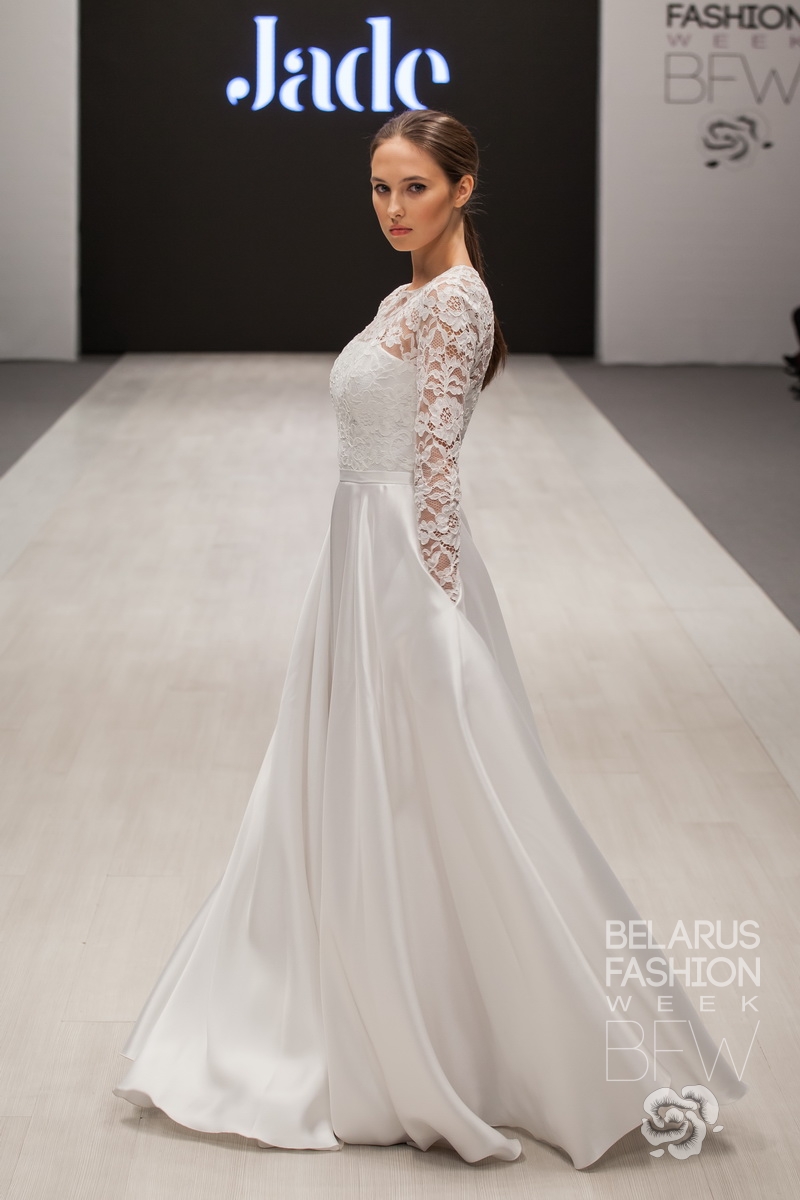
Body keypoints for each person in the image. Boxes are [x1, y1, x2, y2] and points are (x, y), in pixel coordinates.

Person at [113, 109, 748, 1167]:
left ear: (461, 188)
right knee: (383, 790)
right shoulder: (404, 296)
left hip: (401, 562)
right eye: (379, 187)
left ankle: (472, 1030)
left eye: (414, 186)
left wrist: (435, 598)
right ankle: (392, 1002)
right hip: (359, 557)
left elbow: (439, 457)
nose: (393, 207)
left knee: (438, 788)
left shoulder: (455, 301)